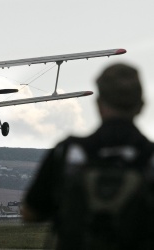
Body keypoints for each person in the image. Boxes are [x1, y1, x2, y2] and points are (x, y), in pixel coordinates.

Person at [23, 63, 154, 250]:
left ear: (99, 104)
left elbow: (30, 213)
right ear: (141, 106)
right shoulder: (149, 156)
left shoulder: (66, 152)